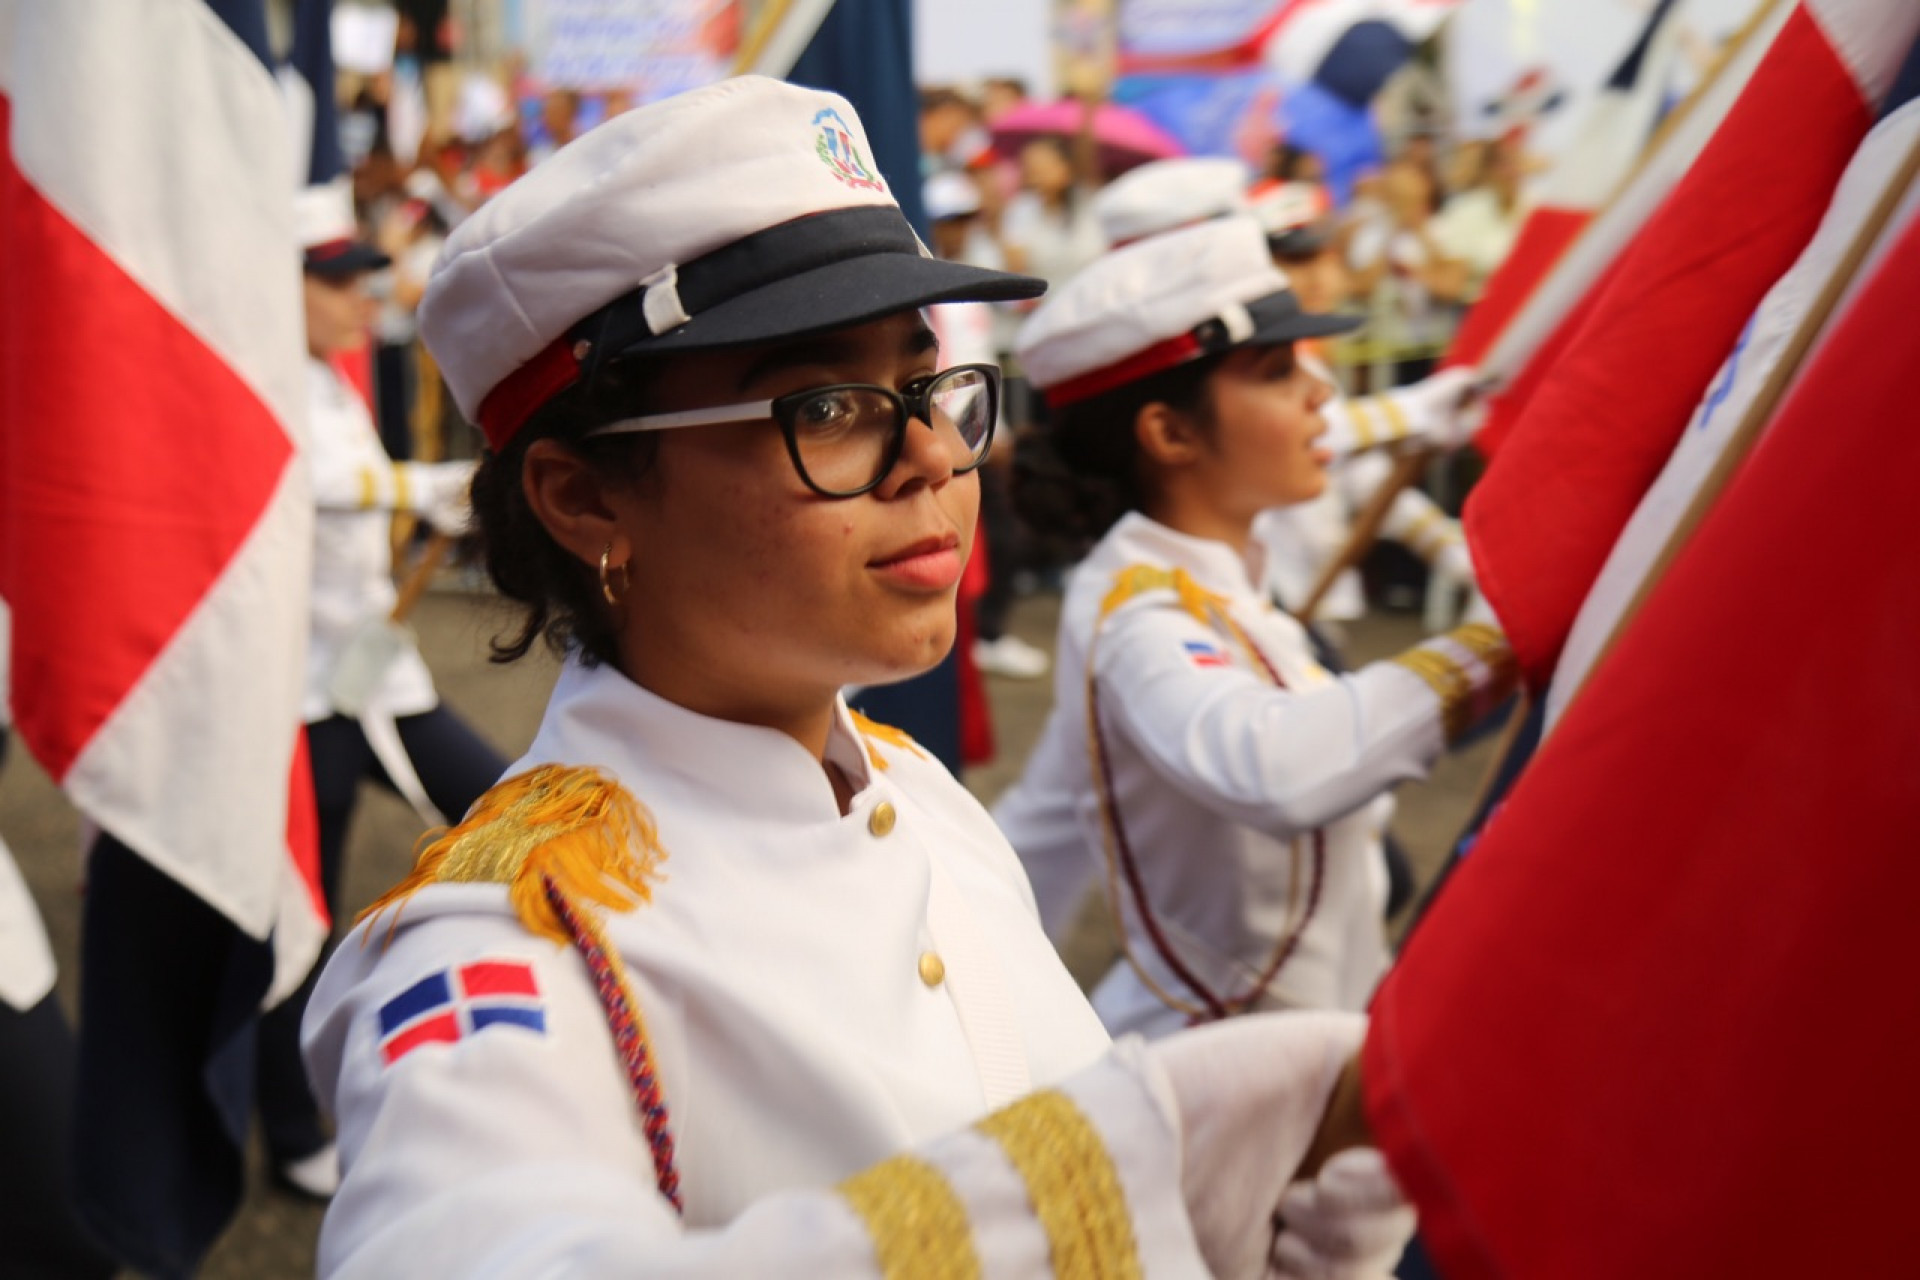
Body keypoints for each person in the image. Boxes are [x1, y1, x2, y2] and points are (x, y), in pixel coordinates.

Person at [301, 77, 1413, 1277]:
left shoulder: (913, 789)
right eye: (830, 405)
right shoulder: (513, 940)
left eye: (930, 385)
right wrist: (1110, 1167)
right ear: (585, 498)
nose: (930, 453)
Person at [1001, 215, 1514, 1041]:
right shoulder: (1138, 612)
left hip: (1291, 1058)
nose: (1322, 393)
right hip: (1210, 1078)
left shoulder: (1220, 581)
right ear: (1169, 433)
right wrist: (1496, 643)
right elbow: (1277, 769)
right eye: (1278, 372)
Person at [255, 180, 508, 1198]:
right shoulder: (254, 378)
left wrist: (419, 498)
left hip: (375, 673)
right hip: (298, 695)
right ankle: (288, 1125)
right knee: (296, 916)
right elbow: (298, 485)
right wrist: (418, 486)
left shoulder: (333, 378)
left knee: (509, 814)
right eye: (336, 281)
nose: (362, 299)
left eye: (362, 279)